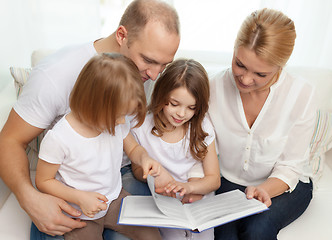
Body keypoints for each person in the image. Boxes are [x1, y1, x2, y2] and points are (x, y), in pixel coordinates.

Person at [0, 0, 180, 239]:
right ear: (121, 35)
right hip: (74, 191)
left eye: (164, 65)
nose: (155, 75)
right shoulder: (55, 77)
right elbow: (9, 141)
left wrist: (146, 164)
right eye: (148, 60)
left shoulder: (144, 76)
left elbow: (129, 139)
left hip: (116, 183)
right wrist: (29, 198)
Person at [207, 8, 317, 239]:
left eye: (260, 74)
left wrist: (264, 190)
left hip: (285, 186)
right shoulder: (213, 88)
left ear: (281, 66)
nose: (246, 79)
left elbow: (291, 166)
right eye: (240, 64)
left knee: (258, 229)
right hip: (229, 181)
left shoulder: (302, 95)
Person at [35, 53, 163, 240]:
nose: (121, 121)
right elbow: (43, 181)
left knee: (151, 235)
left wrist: (145, 159)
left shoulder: (117, 123)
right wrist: (80, 198)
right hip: (80, 212)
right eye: (117, 115)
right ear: (93, 104)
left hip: (115, 199)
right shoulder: (59, 138)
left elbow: (133, 149)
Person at [130, 58, 221, 240]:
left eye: (191, 107)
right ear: (161, 95)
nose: (181, 114)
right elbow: (138, 170)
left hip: (199, 197)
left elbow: (214, 180)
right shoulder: (141, 126)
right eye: (174, 104)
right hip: (166, 202)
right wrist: (156, 177)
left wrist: (188, 188)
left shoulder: (202, 126)